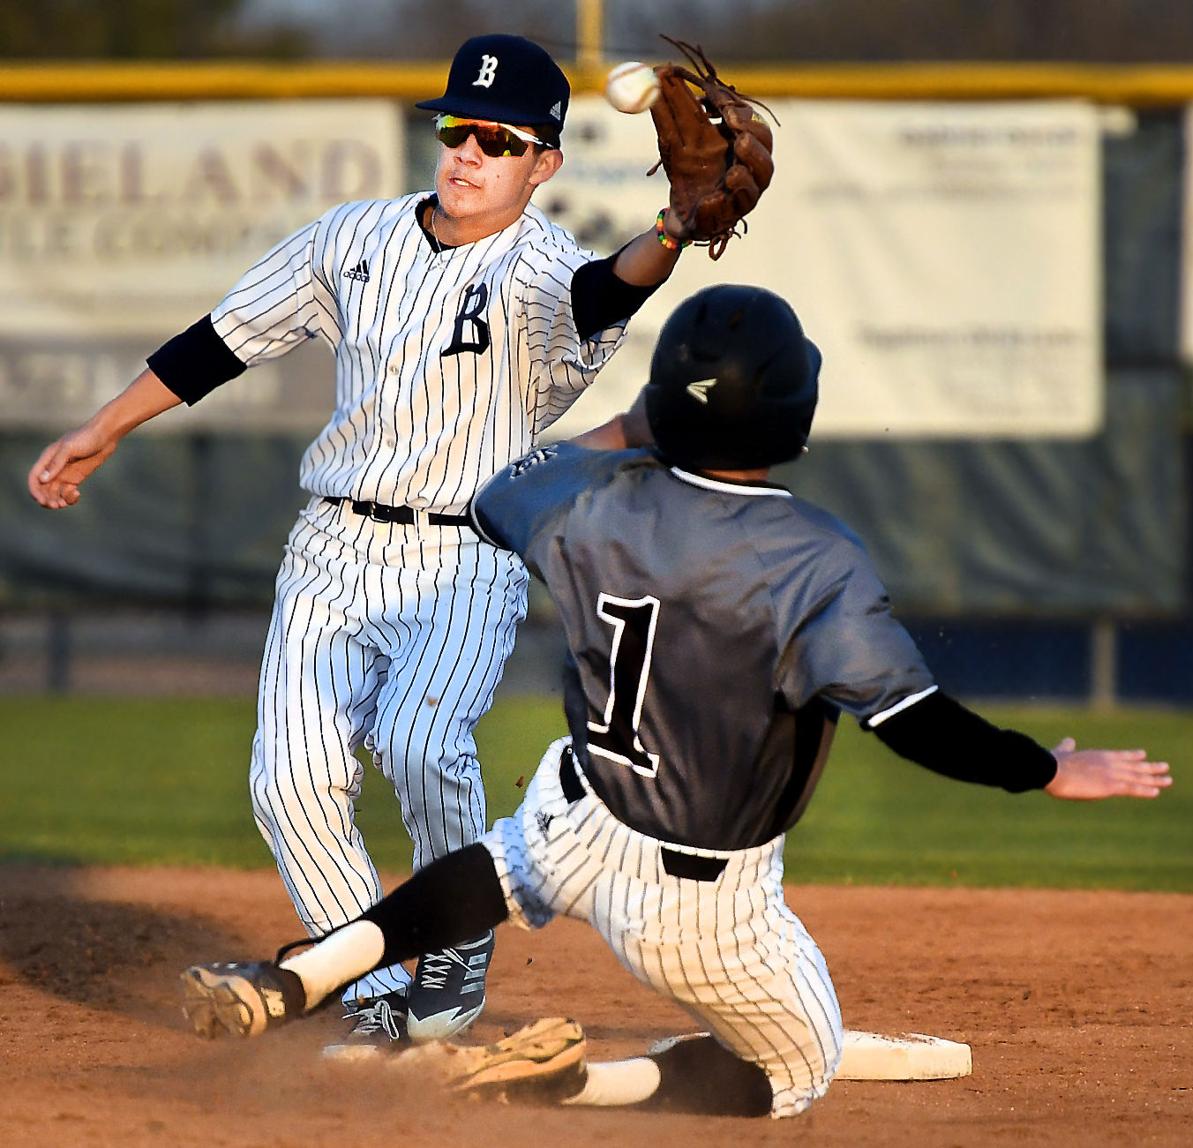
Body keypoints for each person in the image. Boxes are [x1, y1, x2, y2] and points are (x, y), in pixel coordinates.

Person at [178, 284, 1172, 1118]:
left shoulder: (592, 502)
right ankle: (557, 1085)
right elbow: (913, 721)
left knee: (505, 863)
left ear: (664, 405)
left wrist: (636, 425)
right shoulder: (815, 556)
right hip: (698, 902)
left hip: (583, 801)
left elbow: (497, 493)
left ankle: (294, 978)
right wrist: (1048, 766)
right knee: (794, 1069)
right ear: (796, 413)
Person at [26, 34, 697, 1050]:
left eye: (498, 140)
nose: (467, 152)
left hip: (461, 557)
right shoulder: (355, 236)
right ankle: (374, 979)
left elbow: (605, 292)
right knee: (286, 780)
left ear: (545, 163)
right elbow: (223, 337)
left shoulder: (539, 266)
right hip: (332, 551)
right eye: (456, 129)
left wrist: (678, 226)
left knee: (420, 740)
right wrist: (102, 429)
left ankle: (456, 943)